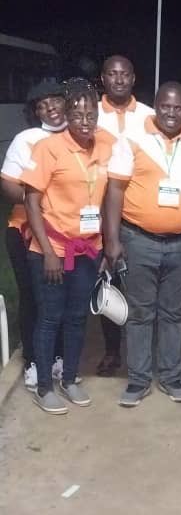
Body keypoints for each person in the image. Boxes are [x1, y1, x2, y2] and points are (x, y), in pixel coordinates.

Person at [104, 82, 181, 407]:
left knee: (174, 313)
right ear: (156, 105)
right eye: (165, 106)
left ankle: (171, 376)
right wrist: (112, 239)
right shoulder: (133, 137)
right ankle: (138, 380)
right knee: (139, 313)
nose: (171, 113)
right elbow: (115, 191)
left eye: (178, 108)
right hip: (138, 241)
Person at [22, 78, 113, 414]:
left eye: (91, 115)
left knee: (77, 319)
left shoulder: (105, 145)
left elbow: (105, 199)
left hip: (88, 250)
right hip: (52, 250)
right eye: (77, 114)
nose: (85, 121)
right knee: (50, 318)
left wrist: (104, 247)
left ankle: (70, 378)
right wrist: (47, 251)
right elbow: (32, 202)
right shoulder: (48, 148)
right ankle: (44, 386)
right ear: (66, 115)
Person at [1, 79, 68, 389]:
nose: (50, 108)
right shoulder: (26, 139)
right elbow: (9, 185)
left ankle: (56, 358)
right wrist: (40, 197)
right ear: (34, 112)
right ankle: (31, 359)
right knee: (33, 297)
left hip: (67, 234)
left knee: (61, 299)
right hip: (25, 230)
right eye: (41, 105)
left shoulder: (77, 135)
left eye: (54, 101)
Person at [95, 54, 154, 376]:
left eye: (125, 74)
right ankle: (111, 350)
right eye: (112, 74)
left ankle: (140, 355)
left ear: (134, 78)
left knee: (136, 286)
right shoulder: (90, 113)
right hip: (93, 211)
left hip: (132, 214)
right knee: (106, 282)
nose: (119, 79)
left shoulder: (149, 116)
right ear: (103, 78)